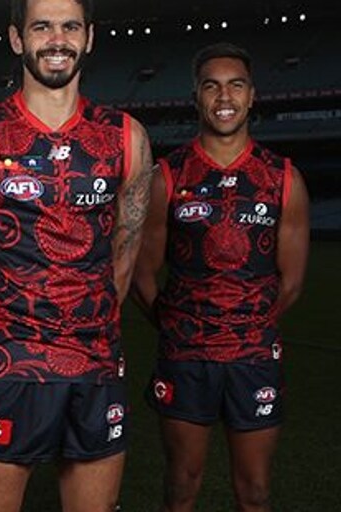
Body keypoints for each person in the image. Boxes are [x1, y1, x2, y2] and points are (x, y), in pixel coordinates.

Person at [0, 0, 153, 510]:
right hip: (10, 367)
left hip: (96, 366)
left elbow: (123, 259)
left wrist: (86, 333)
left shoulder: (127, 137)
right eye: (42, 27)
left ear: (89, 37)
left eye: (70, 26)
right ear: (17, 38)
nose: (57, 40)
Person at [131, 43, 309, 512]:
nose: (224, 97)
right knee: (181, 487)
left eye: (236, 85)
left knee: (255, 492)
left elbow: (291, 282)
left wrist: (247, 326)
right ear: (196, 97)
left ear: (252, 96)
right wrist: (177, 325)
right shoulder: (167, 176)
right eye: (212, 86)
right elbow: (141, 271)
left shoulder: (283, 179)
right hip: (186, 356)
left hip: (254, 357)